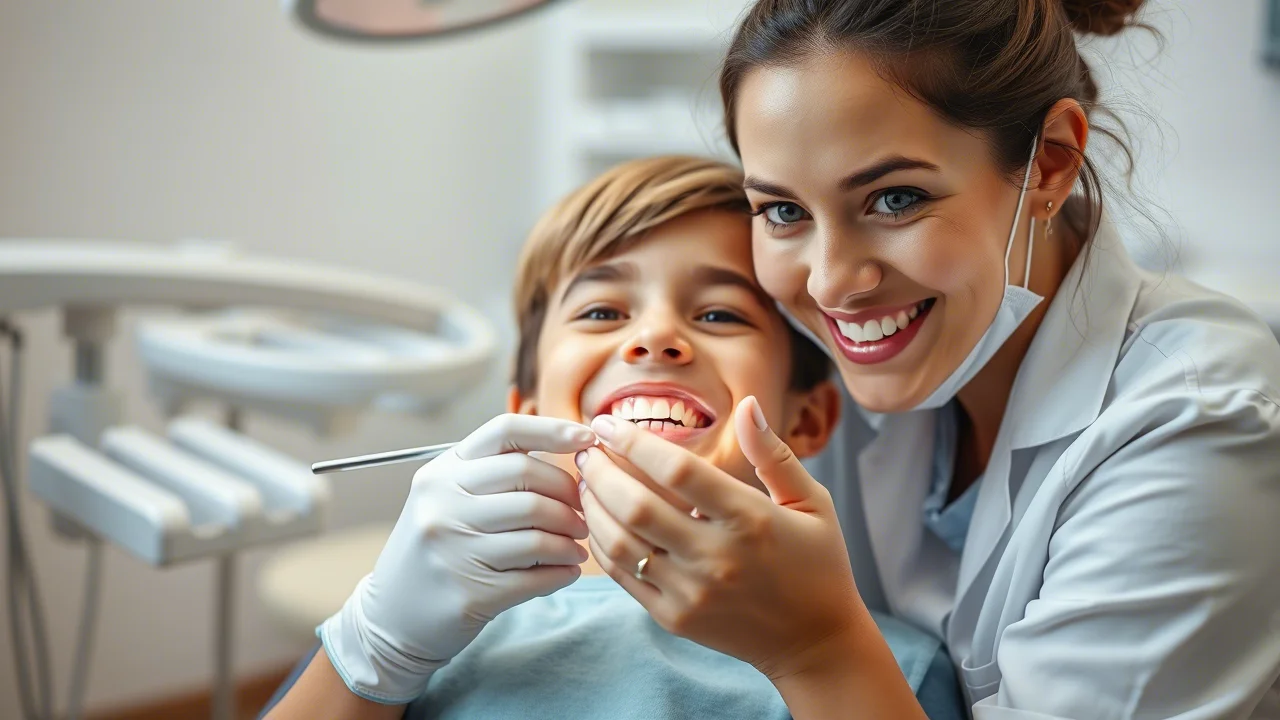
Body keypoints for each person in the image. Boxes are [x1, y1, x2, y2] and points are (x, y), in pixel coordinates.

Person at [571, 1, 1280, 719]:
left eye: (895, 199)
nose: (830, 283)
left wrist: (815, 648)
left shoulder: (1197, 420)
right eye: (784, 212)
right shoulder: (818, 378)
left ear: (1051, 163)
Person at [262, 156, 966, 719]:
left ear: (808, 417)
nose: (656, 337)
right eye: (601, 310)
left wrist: (820, 656)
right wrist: (373, 651)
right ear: (526, 407)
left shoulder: (888, 671)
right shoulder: (422, 627)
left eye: (720, 315)